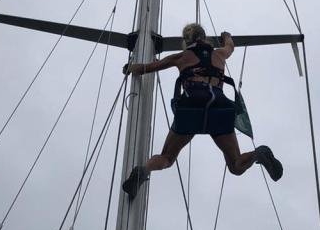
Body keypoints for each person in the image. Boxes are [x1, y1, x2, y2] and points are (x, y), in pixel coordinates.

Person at [121, 22, 283, 200]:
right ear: (204, 38)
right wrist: (226, 36)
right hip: (219, 109)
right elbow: (230, 47)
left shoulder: (180, 57)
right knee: (236, 165)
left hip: (191, 108)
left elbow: (145, 68)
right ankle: (257, 154)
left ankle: (144, 170)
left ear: (186, 40)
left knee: (166, 157)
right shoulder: (220, 54)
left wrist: (129, 68)